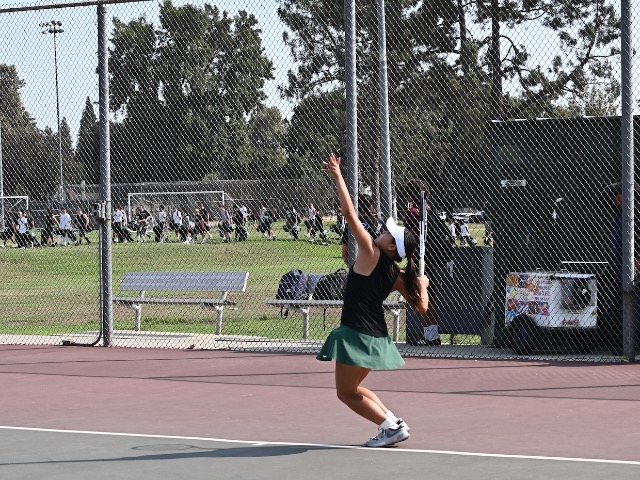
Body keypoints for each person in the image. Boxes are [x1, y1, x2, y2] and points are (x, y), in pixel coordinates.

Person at [317, 152, 429, 448]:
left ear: (391, 246)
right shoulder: (396, 274)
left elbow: (349, 214)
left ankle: (389, 427)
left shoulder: (371, 252)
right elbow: (422, 307)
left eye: (387, 233)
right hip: (376, 337)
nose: (381, 232)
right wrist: (424, 285)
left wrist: (338, 176)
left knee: (346, 393)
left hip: (357, 334)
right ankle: (393, 423)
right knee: (356, 388)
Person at [608, 181, 640, 352]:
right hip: (621, 266)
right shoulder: (620, 214)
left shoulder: (636, 214)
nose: (615, 199)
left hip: (633, 266)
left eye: (618, 194)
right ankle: (627, 342)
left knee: (636, 303)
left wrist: (637, 260)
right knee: (624, 302)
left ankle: (632, 344)